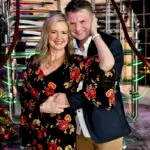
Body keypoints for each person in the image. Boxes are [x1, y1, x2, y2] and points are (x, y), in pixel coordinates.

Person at [19, 11, 115, 150]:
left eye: (64, 33)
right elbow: (24, 95)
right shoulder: (33, 61)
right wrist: (41, 107)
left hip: (61, 136)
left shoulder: (76, 63)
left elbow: (107, 64)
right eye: (54, 32)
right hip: (35, 131)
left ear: (69, 36)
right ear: (46, 34)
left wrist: (94, 33)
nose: (59, 37)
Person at [52, 1, 131, 150]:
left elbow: (104, 87)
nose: (78, 28)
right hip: (78, 128)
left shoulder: (110, 45)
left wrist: (69, 100)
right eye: (72, 23)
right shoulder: (65, 46)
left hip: (106, 128)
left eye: (83, 21)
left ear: (93, 20)